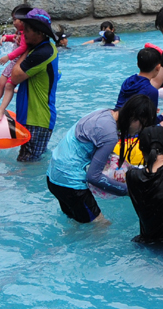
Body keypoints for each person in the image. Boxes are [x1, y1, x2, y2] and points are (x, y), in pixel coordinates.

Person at [46, 95, 154, 225]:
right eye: (143, 125)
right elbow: (94, 177)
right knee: (100, 226)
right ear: (135, 118)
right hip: (70, 183)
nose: (141, 130)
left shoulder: (104, 113)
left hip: (53, 176)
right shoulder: (110, 135)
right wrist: (128, 191)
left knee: (76, 223)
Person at [7, 9, 60, 162]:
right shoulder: (39, 49)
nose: (24, 33)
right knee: (27, 160)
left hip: (38, 119)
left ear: (39, 33)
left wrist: (23, 50)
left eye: (27, 30)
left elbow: (15, 76)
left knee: (27, 163)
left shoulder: (43, 52)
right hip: (32, 117)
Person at [0, 6, 30, 120]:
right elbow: (15, 38)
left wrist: (8, 57)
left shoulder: (25, 34)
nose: (13, 22)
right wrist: (6, 38)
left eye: (15, 20)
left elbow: (23, 47)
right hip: (13, 62)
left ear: (23, 20)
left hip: (16, 63)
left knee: (9, 86)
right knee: (1, 83)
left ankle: (1, 110)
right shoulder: (20, 32)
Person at [116, 47, 162, 112]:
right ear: (158, 67)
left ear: (137, 65)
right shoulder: (152, 91)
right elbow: (151, 120)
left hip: (116, 117)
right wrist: (162, 117)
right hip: (132, 121)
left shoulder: (127, 81)